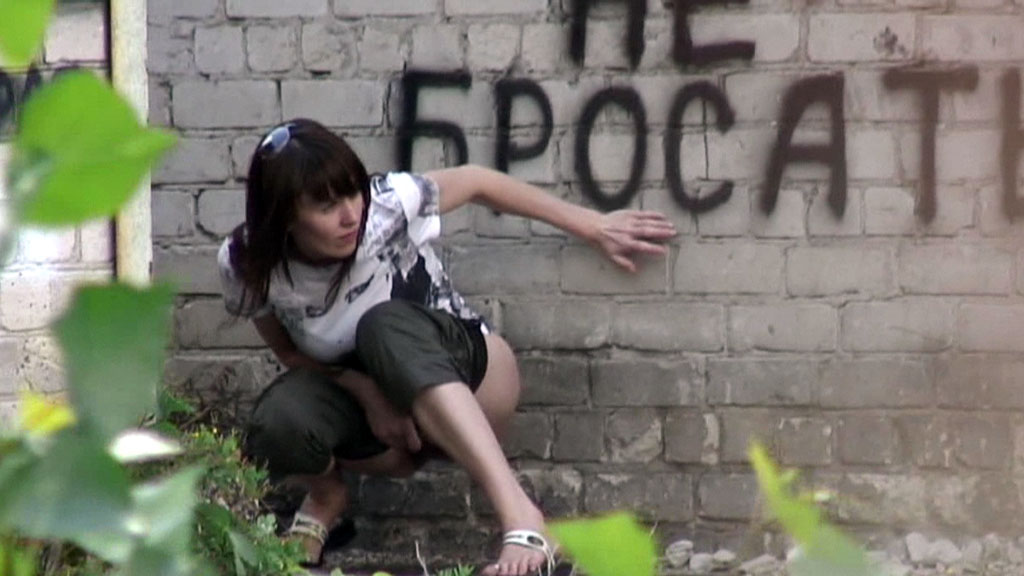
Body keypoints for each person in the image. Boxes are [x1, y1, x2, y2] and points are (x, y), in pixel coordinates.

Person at [217, 118, 676, 576]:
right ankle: (325, 498)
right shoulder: (247, 264)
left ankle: (521, 515)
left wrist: (593, 225)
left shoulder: (386, 206)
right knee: (279, 417)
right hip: (387, 432)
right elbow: (291, 355)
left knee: (383, 325)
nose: (350, 214)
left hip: (476, 381)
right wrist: (365, 391)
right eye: (326, 206)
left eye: (352, 193)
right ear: (284, 217)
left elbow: (477, 181)